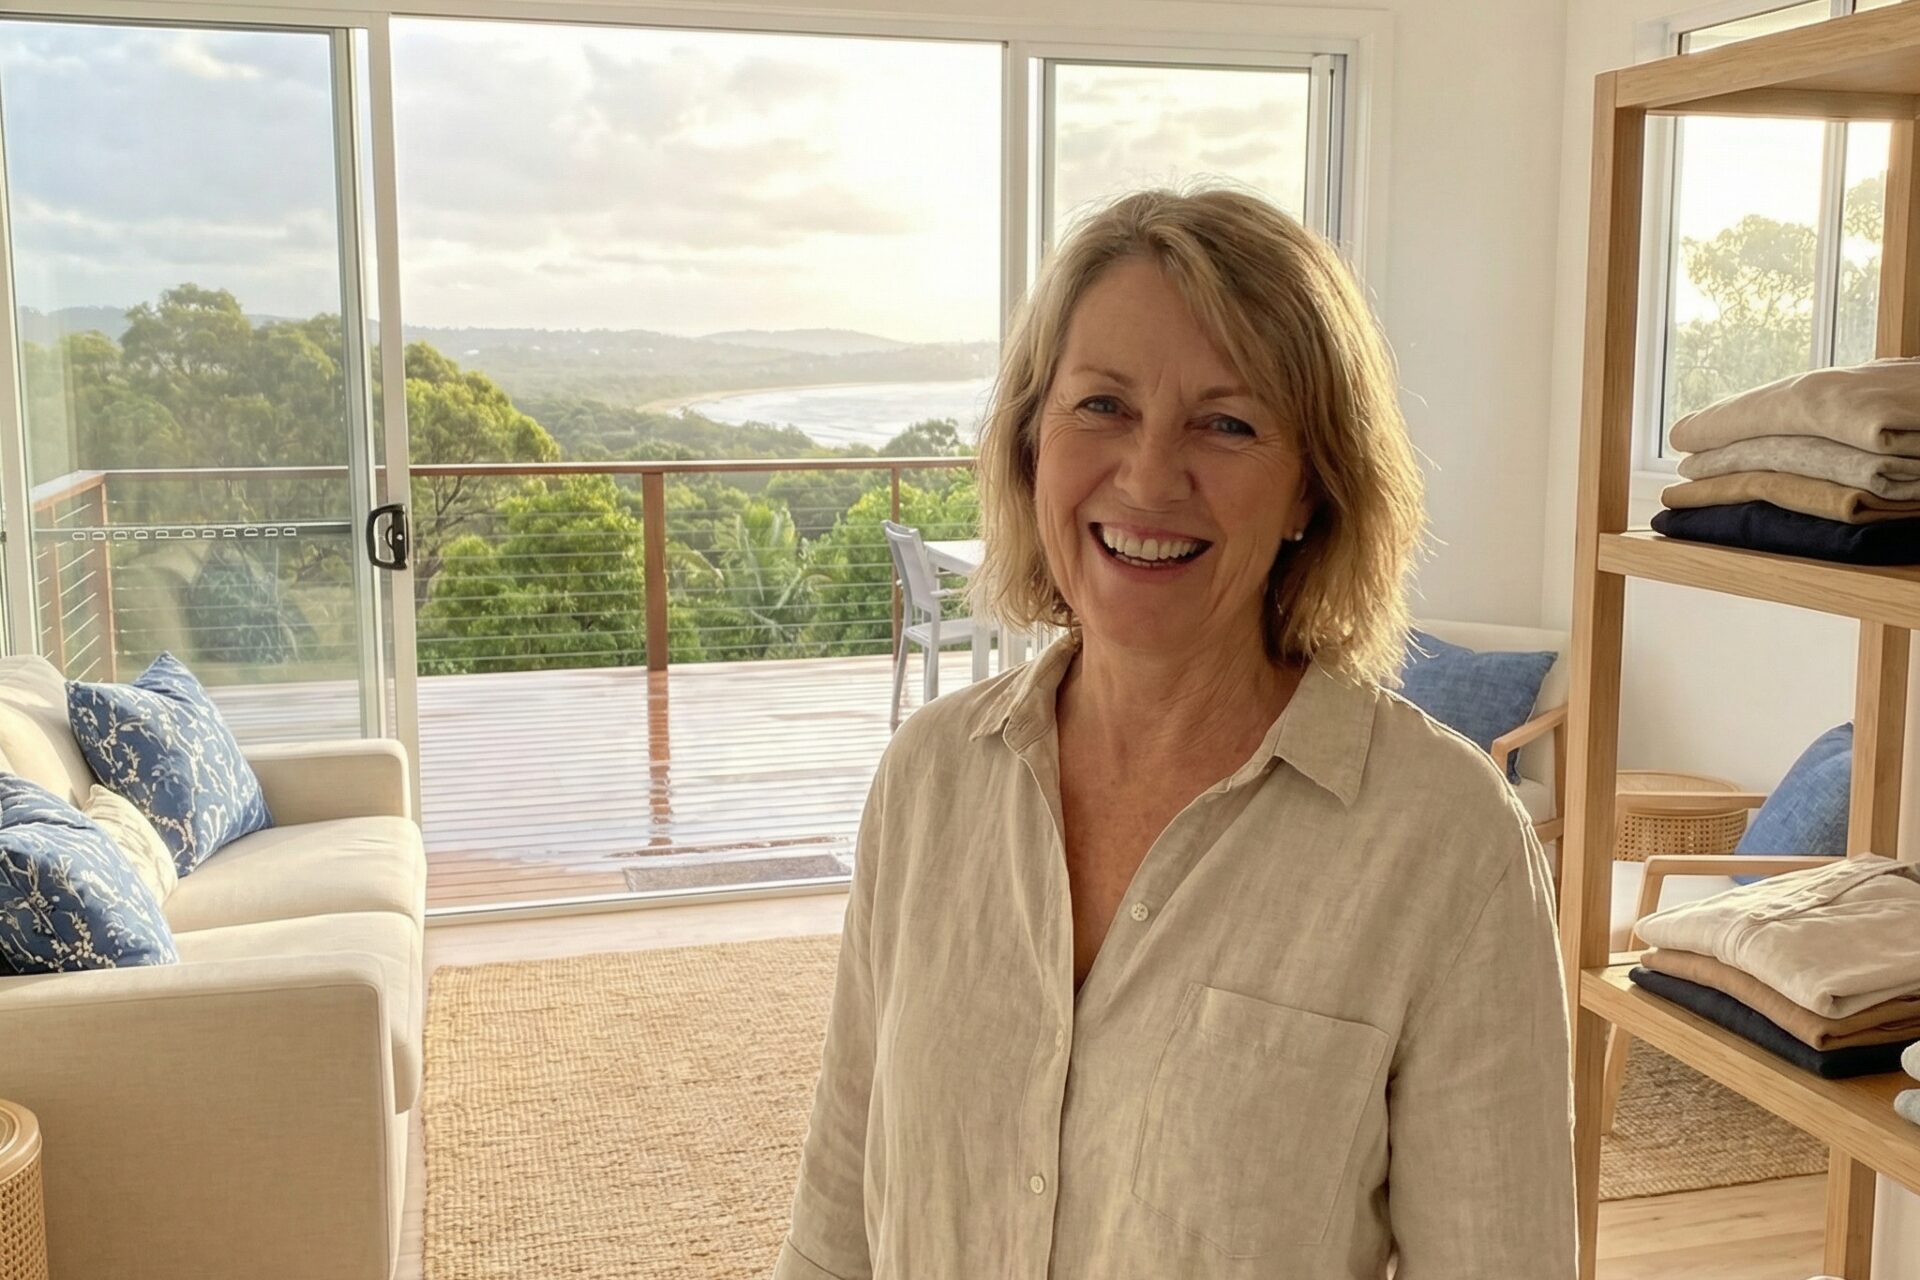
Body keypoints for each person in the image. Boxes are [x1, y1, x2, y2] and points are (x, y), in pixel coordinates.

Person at [772, 186, 1576, 1278]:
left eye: (1229, 422)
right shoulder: (929, 778)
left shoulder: (1448, 847)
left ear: (1312, 489)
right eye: (1101, 405)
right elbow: (838, 1216)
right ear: (1029, 445)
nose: (1149, 475)